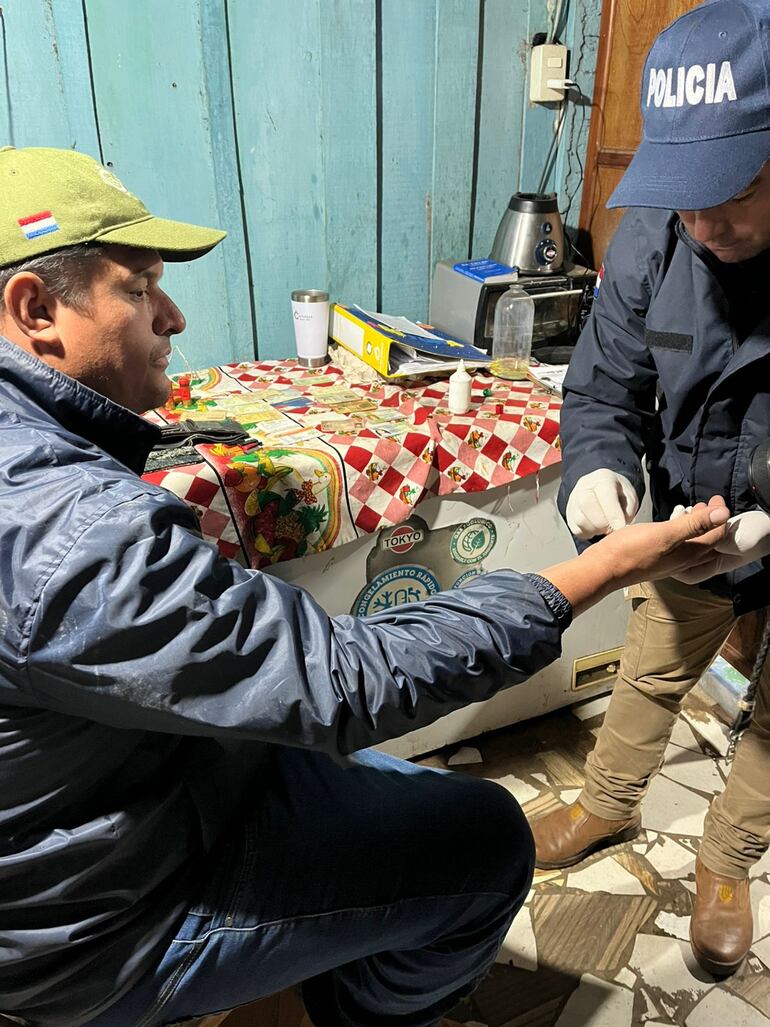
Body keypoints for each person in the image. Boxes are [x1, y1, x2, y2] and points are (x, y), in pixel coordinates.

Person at [0, 144, 730, 1027]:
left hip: (129, 787)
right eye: (140, 288)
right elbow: (345, 680)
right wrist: (605, 567)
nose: (174, 315)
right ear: (35, 309)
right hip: (92, 920)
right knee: (490, 840)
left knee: (374, 783)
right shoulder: (69, 532)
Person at [530, 0, 770, 980]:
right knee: (650, 663)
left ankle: (727, 861)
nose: (704, 223)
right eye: (684, 192)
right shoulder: (651, 237)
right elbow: (602, 390)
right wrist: (595, 473)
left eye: (734, 189)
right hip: (691, 521)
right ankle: (606, 802)